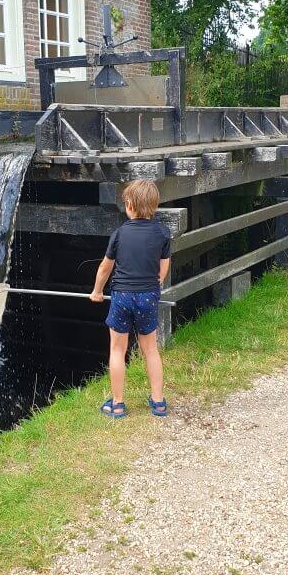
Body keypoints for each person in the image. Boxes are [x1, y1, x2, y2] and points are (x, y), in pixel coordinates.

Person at [89, 179, 171, 418]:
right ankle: (158, 402)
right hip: (147, 296)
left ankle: (117, 403)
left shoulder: (119, 234)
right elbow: (162, 269)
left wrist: (97, 291)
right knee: (150, 349)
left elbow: (105, 268)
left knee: (117, 349)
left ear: (130, 206)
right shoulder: (162, 233)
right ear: (153, 206)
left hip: (122, 296)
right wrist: (155, 285)